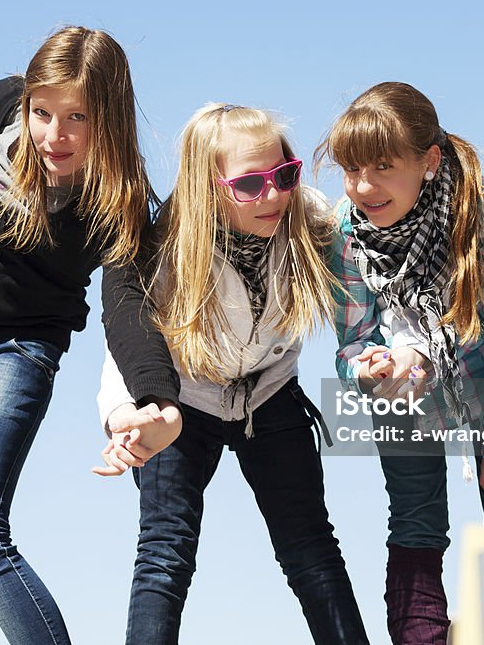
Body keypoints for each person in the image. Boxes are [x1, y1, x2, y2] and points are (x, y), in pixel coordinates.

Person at [0, 26, 181, 645]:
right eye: (43, 111)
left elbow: (128, 308)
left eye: (78, 116)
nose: (55, 134)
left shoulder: (122, 201)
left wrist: (159, 400)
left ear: (109, 117)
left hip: (18, 352)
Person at [95, 103, 370, 644]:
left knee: (311, 549)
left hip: (269, 394)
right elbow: (128, 338)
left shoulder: (310, 220)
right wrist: (127, 412)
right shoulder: (168, 247)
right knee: (164, 551)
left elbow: (375, 253)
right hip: (185, 399)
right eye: (248, 184)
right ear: (208, 188)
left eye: (283, 175)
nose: (272, 195)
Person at [319, 82, 484, 644]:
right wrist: (369, 370)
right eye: (352, 169)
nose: (364, 187)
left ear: (428, 161)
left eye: (383, 166)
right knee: (415, 521)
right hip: (406, 382)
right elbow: (351, 343)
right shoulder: (345, 229)